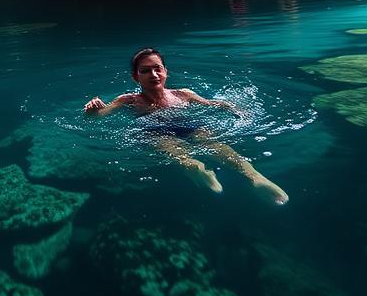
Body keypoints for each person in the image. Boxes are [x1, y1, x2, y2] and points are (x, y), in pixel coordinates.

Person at [83, 48, 289, 204]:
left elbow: (212, 104)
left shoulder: (184, 94)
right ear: (136, 77)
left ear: (166, 72)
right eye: (146, 71)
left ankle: (256, 178)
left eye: (158, 69)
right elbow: (98, 116)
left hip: (188, 125)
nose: (153, 74)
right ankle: (200, 172)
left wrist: (233, 108)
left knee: (217, 146)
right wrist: (92, 111)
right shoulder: (128, 100)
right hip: (153, 132)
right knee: (182, 157)